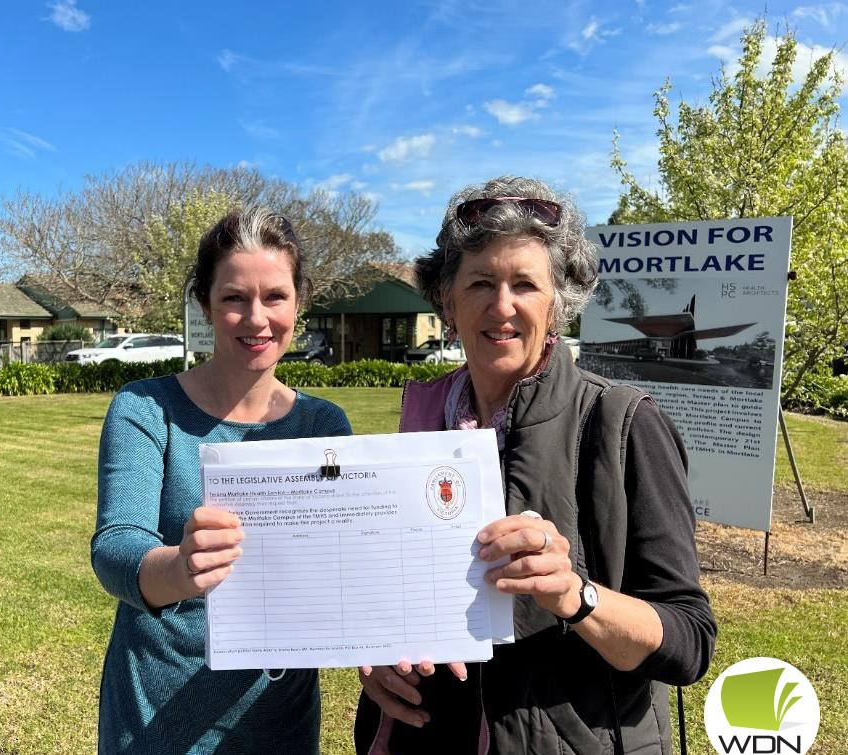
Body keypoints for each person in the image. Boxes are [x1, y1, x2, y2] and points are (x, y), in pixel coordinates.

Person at [354, 177, 716, 755]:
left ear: (558, 306)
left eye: (525, 284)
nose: (502, 306)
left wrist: (575, 594)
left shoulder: (622, 423)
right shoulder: (421, 421)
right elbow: (388, 593)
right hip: (429, 736)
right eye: (479, 283)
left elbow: (688, 643)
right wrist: (373, 655)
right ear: (448, 302)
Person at [92, 208, 351, 754]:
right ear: (205, 304)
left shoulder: (323, 426)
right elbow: (116, 547)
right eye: (234, 297)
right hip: (155, 716)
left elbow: (344, 566)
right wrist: (182, 567)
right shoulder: (146, 408)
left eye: (275, 296)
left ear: (298, 304)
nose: (257, 318)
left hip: (278, 714)